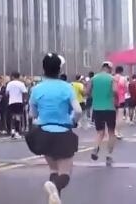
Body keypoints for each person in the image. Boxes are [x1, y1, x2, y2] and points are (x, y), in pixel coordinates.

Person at [26, 53, 81, 204]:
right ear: (59, 69)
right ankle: (55, 188)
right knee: (65, 173)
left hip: (43, 134)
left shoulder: (36, 89)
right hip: (63, 133)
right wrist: (73, 121)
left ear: (43, 69)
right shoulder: (67, 87)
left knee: (53, 170)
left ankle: (54, 197)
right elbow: (78, 111)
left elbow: (32, 114)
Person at [89, 62, 117, 167]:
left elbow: (86, 92)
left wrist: (95, 95)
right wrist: (113, 97)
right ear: (110, 68)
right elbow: (115, 90)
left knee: (100, 132)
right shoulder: (112, 78)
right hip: (109, 108)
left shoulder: (93, 78)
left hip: (97, 108)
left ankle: (95, 148)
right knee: (111, 132)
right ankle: (109, 156)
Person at [6, 72, 28, 139]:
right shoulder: (21, 84)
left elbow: (6, 93)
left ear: (13, 76)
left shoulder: (9, 83)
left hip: (11, 102)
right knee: (18, 117)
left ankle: (13, 130)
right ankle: (17, 132)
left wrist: (10, 97)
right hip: (19, 102)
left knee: (13, 116)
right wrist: (25, 100)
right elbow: (25, 92)